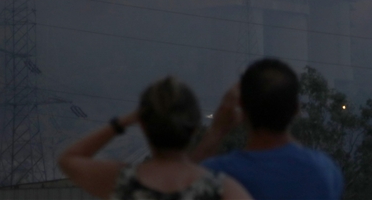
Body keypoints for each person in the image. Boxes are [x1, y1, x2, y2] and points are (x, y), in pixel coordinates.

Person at [59, 76, 251, 200]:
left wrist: (122, 122)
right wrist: (217, 129)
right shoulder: (220, 189)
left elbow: (69, 159)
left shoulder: (123, 182)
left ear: (143, 125)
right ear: (194, 129)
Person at [193, 59, 344, 199]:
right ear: (296, 110)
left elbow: (181, 190)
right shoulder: (325, 171)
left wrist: (216, 131)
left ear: (242, 109)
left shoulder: (218, 174)